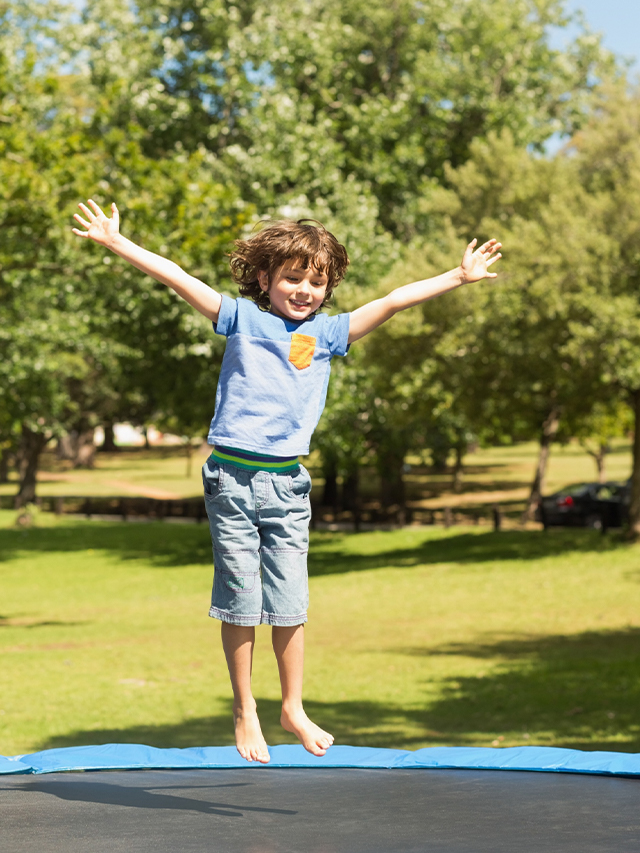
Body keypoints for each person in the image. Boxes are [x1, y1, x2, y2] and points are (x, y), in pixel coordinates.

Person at [73, 199, 501, 764]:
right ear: (264, 279)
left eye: (316, 283)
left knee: (290, 602)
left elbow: (393, 300)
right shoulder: (239, 318)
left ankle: (293, 707)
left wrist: (458, 277)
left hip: (288, 485)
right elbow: (177, 276)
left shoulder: (330, 333)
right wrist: (116, 242)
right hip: (231, 479)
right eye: (293, 278)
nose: (304, 291)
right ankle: (244, 706)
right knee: (241, 600)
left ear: (328, 289)